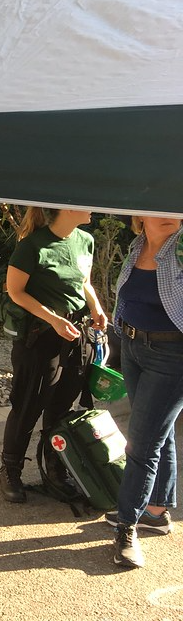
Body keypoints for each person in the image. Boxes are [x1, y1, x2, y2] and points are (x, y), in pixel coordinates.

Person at [0, 207, 108, 503]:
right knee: (28, 405)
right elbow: (15, 291)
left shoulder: (85, 239)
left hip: (75, 333)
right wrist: (53, 320)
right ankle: (11, 471)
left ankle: (56, 470)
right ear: (68, 208)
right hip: (40, 337)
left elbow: (84, 282)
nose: (92, 209)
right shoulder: (32, 245)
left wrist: (96, 307)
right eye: (85, 204)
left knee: (61, 407)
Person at [106, 215, 183, 569]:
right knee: (156, 431)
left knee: (141, 443)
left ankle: (127, 526)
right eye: (160, 208)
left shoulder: (180, 250)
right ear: (141, 215)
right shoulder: (137, 247)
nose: (171, 214)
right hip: (133, 347)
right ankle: (155, 510)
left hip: (172, 356)